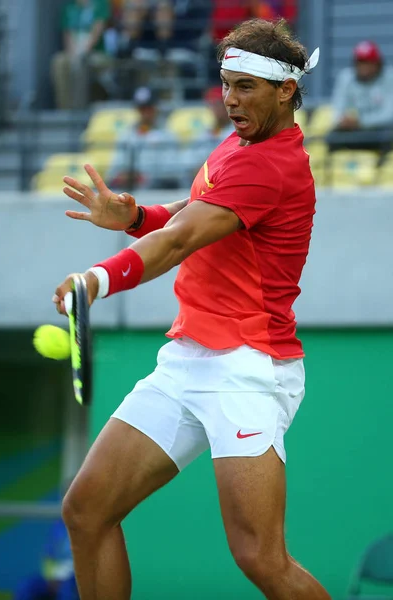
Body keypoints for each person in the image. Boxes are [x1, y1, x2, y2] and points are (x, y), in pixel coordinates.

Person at [53, 18, 331, 600]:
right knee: (86, 510)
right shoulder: (241, 142)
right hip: (186, 362)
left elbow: (180, 241)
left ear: (286, 91)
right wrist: (134, 218)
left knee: (260, 557)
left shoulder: (272, 164)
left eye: (246, 87)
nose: (231, 99)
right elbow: (193, 212)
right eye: (226, 84)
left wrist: (99, 279)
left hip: (247, 370)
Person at [106, 86, 180, 189]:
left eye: (149, 108)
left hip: (158, 192)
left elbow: (172, 172)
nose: (145, 113)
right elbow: (114, 169)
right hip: (128, 191)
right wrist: (124, 175)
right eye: (142, 109)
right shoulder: (126, 135)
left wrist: (145, 177)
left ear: (156, 108)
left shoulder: (167, 135)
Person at [327, 40, 393, 153]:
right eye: (361, 62)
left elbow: (389, 114)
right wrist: (343, 121)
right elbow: (337, 110)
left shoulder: (389, 78)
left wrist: (361, 122)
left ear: (378, 63)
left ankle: (382, 168)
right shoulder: (345, 78)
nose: (364, 67)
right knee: (332, 138)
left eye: (369, 62)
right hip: (354, 131)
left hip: (379, 131)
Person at [51, 0, 111, 109]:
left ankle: (80, 111)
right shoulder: (68, 8)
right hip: (73, 51)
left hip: (95, 52)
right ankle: (65, 110)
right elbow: (67, 36)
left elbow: (97, 31)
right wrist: (74, 53)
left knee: (83, 62)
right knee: (59, 61)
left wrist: (83, 52)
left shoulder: (101, 4)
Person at [13, 518, 78, 600]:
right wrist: (51, 579)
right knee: (26, 586)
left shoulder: (89, 526)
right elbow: (48, 557)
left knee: (67, 589)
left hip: (75, 577)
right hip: (55, 577)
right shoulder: (59, 525)